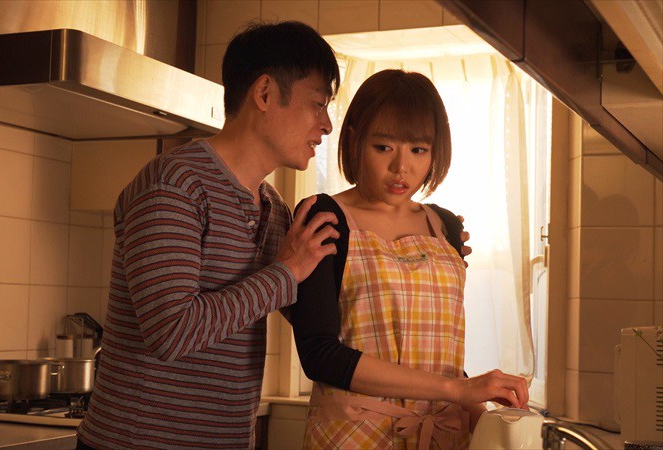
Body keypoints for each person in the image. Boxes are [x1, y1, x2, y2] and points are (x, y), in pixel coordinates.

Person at [75, 21, 343, 449]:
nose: (326, 125)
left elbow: (312, 314)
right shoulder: (174, 184)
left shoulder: (274, 209)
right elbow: (171, 332)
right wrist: (286, 272)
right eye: (318, 104)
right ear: (265, 93)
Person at [290, 69, 530, 449]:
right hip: (354, 437)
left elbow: (438, 351)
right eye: (383, 147)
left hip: (441, 436)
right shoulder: (325, 216)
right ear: (354, 140)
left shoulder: (446, 226)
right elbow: (319, 354)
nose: (401, 168)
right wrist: (457, 389)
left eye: (418, 150)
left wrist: (487, 418)